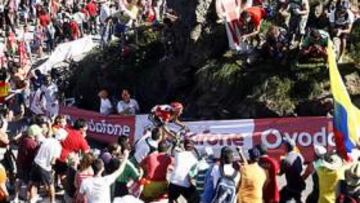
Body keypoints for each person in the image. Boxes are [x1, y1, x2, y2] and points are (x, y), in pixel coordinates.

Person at [28, 128, 67, 203]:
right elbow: (53, 161)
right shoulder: (58, 147)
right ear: (62, 138)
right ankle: (52, 201)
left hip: (36, 162)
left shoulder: (48, 140)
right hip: (44, 167)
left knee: (33, 182)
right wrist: (52, 170)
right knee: (50, 185)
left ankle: (30, 200)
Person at [168, 139, 200, 203]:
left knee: (171, 199)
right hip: (185, 185)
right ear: (192, 147)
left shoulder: (178, 154)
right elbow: (192, 175)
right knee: (196, 198)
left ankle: (171, 200)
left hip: (173, 183)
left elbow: (172, 152)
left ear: (184, 146)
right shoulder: (195, 160)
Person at [14, 125, 39, 202]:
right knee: (30, 182)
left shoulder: (24, 139)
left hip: (20, 163)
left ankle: (16, 197)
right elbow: (36, 154)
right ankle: (28, 199)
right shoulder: (32, 143)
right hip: (27, 166)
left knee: (19, 180)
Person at [279, 137, 306, 203]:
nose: (283, 146)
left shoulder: (286, 160)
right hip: (300, 183)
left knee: (282, 198)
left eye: (284, 145)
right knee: (297, 198)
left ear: (286, 147)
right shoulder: (300, 156)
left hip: (291, 186)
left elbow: (280, 173)